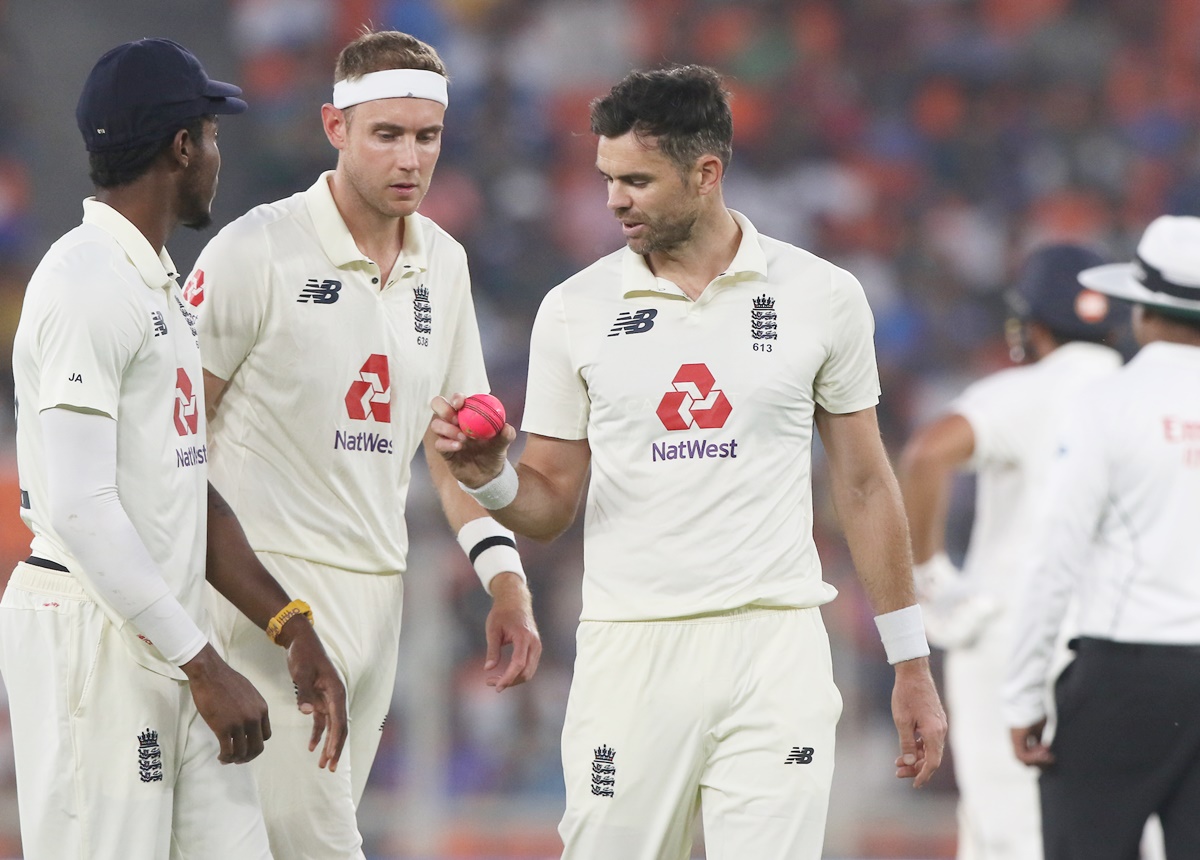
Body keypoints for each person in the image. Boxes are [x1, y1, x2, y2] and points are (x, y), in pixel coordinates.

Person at [431, 64, 947, 860]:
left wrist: (909, 659)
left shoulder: (824, 295)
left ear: (707, 173)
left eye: (636, 180)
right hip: (631, 652)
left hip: (775, 648)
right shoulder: (574, 310)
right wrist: (490, 476)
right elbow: (550, 503)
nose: (613, 200)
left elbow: (866, 482)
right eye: (606, 178)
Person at [189, 29, 542, 860]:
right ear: (334, 127)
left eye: (427, 136)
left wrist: (506, 579)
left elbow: (453, 445)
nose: (410, 158)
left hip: (380, 599)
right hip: (268, 600)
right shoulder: (256, 250)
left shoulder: (445, 265)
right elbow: (169, 437)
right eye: (387, 134)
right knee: (320, 845)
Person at [1, 38, 347, 859]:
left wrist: (288, 623)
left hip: (166, 630)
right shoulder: (85, 280)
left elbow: (184, 485)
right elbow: (83, 508)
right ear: (182, 147)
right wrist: (203, 665)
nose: (218, 158)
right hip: (97, 634)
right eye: (212, 137)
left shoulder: (151, 279)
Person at [898, 244, 1124, 860]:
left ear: (1032, 321)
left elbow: (925, 454)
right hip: (1121, 643)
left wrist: (931, 577)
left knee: (1007, 830)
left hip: (1012, 634)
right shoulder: (1137, 395)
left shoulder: (1029, 389)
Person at [1004, 214, 1200, 860]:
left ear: (1141, 310)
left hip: (1126, 676)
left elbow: (1054, 556)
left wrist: (1025, 693)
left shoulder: (1107, 405)